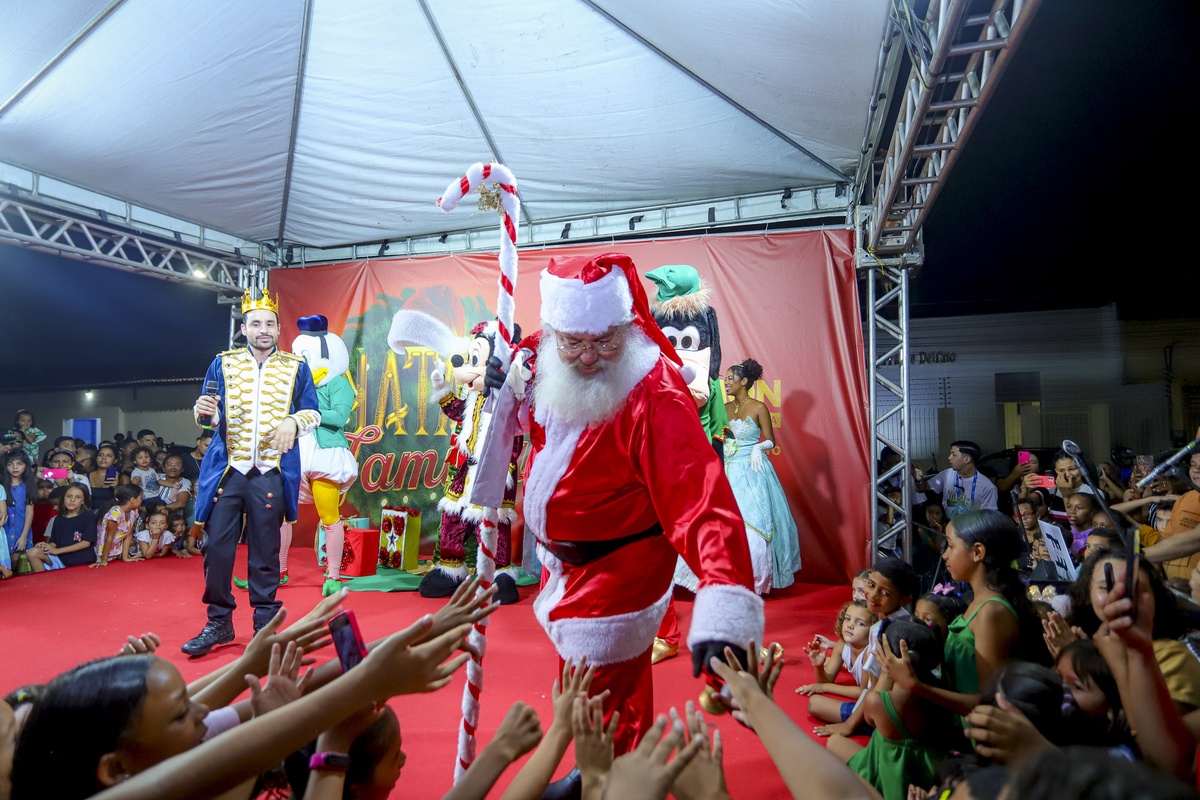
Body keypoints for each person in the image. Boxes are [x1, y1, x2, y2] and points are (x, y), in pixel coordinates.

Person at [497, 252, 763, 763]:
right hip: (566, 569)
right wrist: (503, 366)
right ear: (555, 331)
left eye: (606, 341)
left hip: (619, 572)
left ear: (629, 325)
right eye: (574, 342)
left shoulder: (655, 392)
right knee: (589, 694)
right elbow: (529, 355)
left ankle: (610, 779)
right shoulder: (548, 353)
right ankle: (602, 771)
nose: (590, 357)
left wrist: (725, 605)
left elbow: (703, 503)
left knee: (603, 699)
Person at [184, 289, 320, 657]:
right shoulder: (222, 364)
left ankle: (265, 623)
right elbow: (207, 417)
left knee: (266, 547)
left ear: (278, 330)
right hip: (229, 468)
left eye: (270, 324)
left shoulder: (297, 367)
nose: (264, 329)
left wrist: (294, 420)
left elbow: (313, 412)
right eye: (256, 323)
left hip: (271, 469)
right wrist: (201, 411)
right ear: (243, 328)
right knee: (216, 547)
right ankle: (219, 621)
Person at [914, 441, 998, 519]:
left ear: (967, 459)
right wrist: (918, 480)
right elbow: (923, 488)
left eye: (953, 454)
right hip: (949, 528)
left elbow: (989, 518)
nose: (949, 458)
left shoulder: (987, 487)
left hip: (972, 532)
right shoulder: (946, 474)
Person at [26, 485, 97, 571]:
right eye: (69, 496)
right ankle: (43, 582)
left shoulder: (89, 516)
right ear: (63, 498)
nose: (72, 500)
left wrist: (57, 551)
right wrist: (45, 546)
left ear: (83, 501)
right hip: (61, 558)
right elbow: (54, 542)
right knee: (32, 552)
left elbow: (86, 543)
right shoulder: (58, 518)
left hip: (80, 558)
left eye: (77, 497)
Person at [94, 483, 145, 566]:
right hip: (103, 554)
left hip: (117, 552)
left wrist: (125, 557)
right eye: (140, 498)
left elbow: (129, 533)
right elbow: (109, 537)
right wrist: (104, 560)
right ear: (132, 500)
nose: (141, 501)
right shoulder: (115, 514)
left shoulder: (134, 511)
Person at [4, 450, 36, 556]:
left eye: (19, 464)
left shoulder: (28, 485)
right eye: (10, 464)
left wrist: (24, 535)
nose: (15, 468)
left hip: (21, 528)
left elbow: (29, 511)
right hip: (5, 528)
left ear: (26, 466)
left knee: (18, 558)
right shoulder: (2, 486)